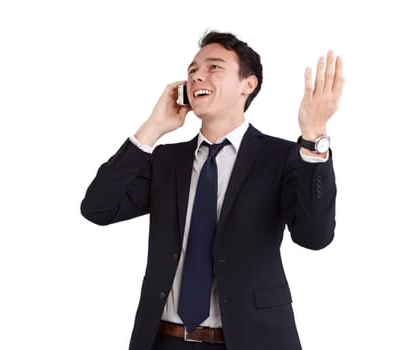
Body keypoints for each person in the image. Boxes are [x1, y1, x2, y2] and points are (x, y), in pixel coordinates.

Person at [80, 30, 344, 350]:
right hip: (166, 340)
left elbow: (314, 237)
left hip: (252, 340)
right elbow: (97, 208)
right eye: (192, 71)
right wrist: (152, 129)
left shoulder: (281, 157)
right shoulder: (167, 160)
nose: (197, 76)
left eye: (214, 67)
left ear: (248, 84)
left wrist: (314, 137)